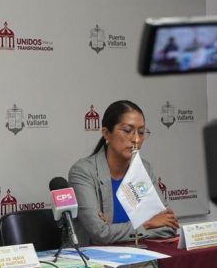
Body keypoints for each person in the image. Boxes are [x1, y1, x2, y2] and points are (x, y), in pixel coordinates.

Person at [68, 100, 178, 245]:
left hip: (139, 254)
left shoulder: (144, 168)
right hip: (94, 257)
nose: (136, 139)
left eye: (141, 132)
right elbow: (101, 234)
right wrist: (147, 223)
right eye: (127, 131)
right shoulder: (83, 172)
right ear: (106, 133)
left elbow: (169, 226)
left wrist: (115, 229)